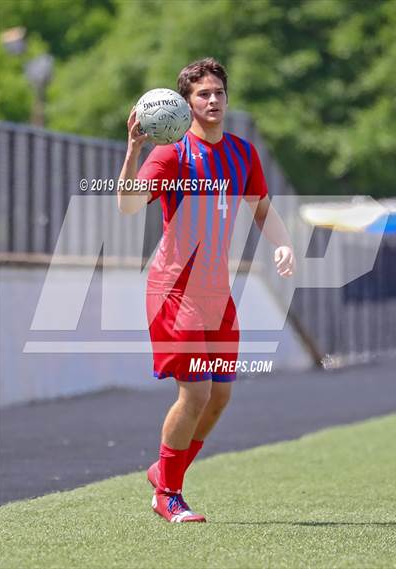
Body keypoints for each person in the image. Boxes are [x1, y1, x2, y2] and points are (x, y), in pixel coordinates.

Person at [117, 58, 295, 523]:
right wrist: (134, 150)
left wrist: (282, 244)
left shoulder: (242, 153)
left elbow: (260, 207)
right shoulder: (172, 153)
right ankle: (168, 495)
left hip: (216, 293)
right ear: (186, 103)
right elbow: (130, 207)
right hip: (174, 291)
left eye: (218, 92)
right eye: (203, 94)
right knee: (195, 393)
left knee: (219, 397)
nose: (213, 100)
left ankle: (165, 472)